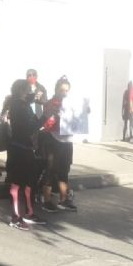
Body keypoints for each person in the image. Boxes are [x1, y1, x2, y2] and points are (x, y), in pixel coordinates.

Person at [5, 79, 45, 230]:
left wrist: (36, 98)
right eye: (28, 89)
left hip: (25, 148)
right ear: (21, 90)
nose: (30, 91)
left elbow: (29, 101)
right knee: (17, 183)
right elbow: (30, 127)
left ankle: (29, 212)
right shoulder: (19, 105)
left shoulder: (21, 103)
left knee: (29, 183)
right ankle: (15, 217)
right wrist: (45, 117)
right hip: (19, 149)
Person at [40, 77, 77, 213]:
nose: (64, 93)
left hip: (67, 141)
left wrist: (84, 112)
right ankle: (46, 200)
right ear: (56, 89)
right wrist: (55, 116)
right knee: (50, 171)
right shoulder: (50, 104)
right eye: (62, 90)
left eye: (66, 90)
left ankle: (63, 200)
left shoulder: (72, 103)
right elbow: (46, 124)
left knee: (64, 171)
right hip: (54, 140)